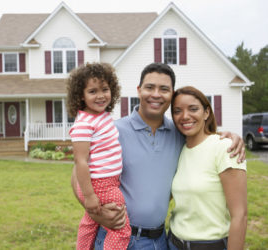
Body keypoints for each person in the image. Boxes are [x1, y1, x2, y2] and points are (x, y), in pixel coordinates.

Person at [71, 63, 246, 250]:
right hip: (116, 236)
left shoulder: (179, 135)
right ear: (139, 90)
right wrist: (96, 213)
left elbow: (202, 138)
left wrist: (227, 136)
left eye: (164, 89)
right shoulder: (114, 130)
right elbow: (77, 175)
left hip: (159, 241)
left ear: (171, 95)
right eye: (149, 87)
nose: (156, 94)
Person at [168, 86, 247, 250]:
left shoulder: (225, 148)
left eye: (193, 109)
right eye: (177, 111)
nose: (185, 116)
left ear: (206, 112)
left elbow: (240, 216)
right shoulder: (179, 149)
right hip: (173, 242)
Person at [67, 62, 131, 249]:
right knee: (121, 229)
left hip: (103, 184)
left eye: (105, 89)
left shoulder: (101, 116)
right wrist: (89, 196)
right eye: (93, 91)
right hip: (100, 185)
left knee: (90, 223)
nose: (101, 95)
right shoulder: (83, 124)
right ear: (81, 95)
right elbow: (80, 161)